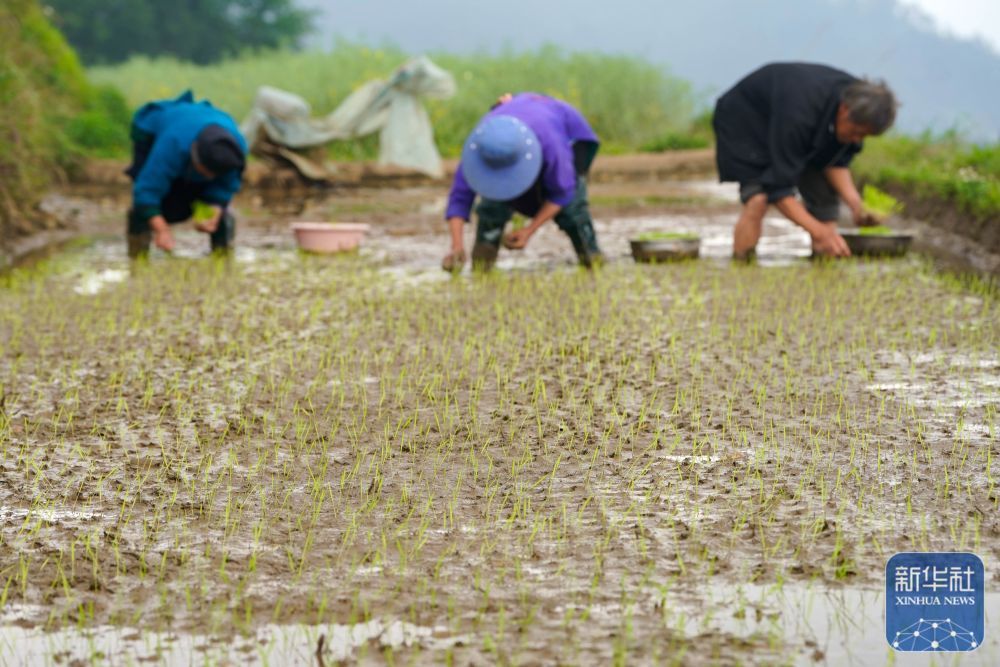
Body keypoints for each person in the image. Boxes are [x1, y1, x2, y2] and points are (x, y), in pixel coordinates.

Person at [713, 63, 898, 260]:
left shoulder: (854, 105)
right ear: (844, 110)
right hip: (747, 121)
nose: (857, 140)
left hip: (794, 124)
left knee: (825, 204)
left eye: (864, 137)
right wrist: (818, 232)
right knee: (758, 199)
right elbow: (778, 188)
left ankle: (824, 266)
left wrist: (856, 205)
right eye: (856, 132)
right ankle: (742, 264)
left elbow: (836, 162)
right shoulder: (800, 112)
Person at [442, 93, 603, 272]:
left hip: (570, 136)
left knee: (572, 209)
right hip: (518, 124)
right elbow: (459, 198)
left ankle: (592, 258)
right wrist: (456, 246)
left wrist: (529, 230)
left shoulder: (552, 145)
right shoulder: (480, 145)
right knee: (492, 205)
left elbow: (562, 192)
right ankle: (482, 266)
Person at [125, 90, 247, 259]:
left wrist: (215, 209)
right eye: (206, 172)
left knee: (221, 213)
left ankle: (222, 256)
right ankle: (137, 253)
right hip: (155, 128)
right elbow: (147, 190)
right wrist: (162, 229)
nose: (210, 178)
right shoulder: (173, 145)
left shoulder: (235, 151)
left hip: (202, 124)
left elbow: (227, 185)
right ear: (194, 156)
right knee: (146, 206)